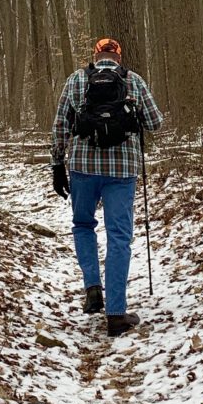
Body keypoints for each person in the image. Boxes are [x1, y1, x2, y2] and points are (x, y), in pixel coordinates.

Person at [50, 37, 165, 338]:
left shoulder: (76, 80)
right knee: (118, 237)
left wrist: (56, 165)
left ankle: (92, 286)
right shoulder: (134, 81)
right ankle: (116, 314)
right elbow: (155, 123)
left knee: (83, 225)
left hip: (82, 168)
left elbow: (61, 125)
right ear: (118, 57)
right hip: (122, 170)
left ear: (95, 55)